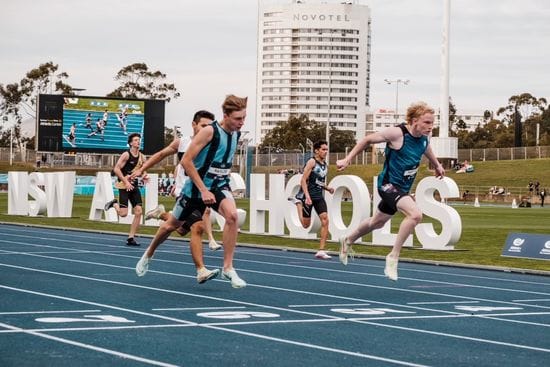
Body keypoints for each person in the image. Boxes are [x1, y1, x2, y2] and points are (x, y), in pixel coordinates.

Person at [134, 95, 248, 288]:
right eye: (238, 119)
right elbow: (186, 161)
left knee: (232, 216)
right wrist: (203, 190)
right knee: (172, 226)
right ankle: (148, 254)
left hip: (219, 186)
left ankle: (227, 268)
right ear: (225, 115)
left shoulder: (236, 134)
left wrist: (221, 179)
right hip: (195, 189)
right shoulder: (210, 132)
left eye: (243, 118)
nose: (242, 122)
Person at [336, 101, 445, 281]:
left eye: (432, 123)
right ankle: (393, 257)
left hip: (402, 188)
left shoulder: (426, 137)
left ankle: (347, 240)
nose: (430, 126)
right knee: (416, 215)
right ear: (414, 120)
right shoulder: (397, 133)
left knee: (377, 222)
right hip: (387, 185)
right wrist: (348, 159)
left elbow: (425, 148)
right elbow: (367, 139)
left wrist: (437, 164)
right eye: (427, 122)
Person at [130, 110, 223, 284]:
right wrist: (141, 169)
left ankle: (160, 216)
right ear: (194, 125)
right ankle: (199, 269)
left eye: (210, 126)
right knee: (197, 227)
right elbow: (160, 155)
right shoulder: (182, 143)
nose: (207, 129)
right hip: (185, 192)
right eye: (203, 125)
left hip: (203, 193)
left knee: (179, 229)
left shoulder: (213, 144)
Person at [291, 140, 334, 259]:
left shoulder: (325, 165)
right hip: (307, 196)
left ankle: (321, 250)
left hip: (319, 196)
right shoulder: (312, 162)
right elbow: (303, 180)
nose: (325, 152)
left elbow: (318, 182)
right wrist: (307, 197)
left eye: (326, 149)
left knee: (325, 220)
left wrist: (327, 188)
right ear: (316, 150)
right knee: (306, 225)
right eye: (323, 149)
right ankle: (298, 203)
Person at [104, 133, 147, 246]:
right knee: (123, 214)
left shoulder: (142, 157)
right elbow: (116, 169)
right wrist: (126, 182)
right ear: (131, 143)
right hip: (124, 186)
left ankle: (131, 237)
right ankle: (114, 204)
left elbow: (143, 170)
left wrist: (144, 176)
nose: (138, 142)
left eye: (139, 140)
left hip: (134, 186)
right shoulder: (126, 155)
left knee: (139, 211)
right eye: (136, 140)